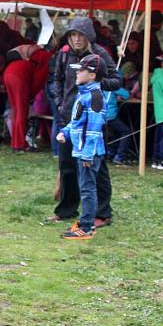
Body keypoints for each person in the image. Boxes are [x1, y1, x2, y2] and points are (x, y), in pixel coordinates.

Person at [48, 16, 121, 227]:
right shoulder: (63, 54)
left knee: (96, 168)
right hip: (68, 119)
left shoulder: (100, 54)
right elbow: (57, 79)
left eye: (81, 35)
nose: (77, 39)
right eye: (73, 35)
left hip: (92, 120)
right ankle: (66, 209)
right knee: (67, 166)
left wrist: (97, 81)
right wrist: (60, 102)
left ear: (89, 36)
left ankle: (102, 213)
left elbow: (117, 81)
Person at [56, 54, 108, 239]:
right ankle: (85, 223)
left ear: (92, 75)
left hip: (89, 153)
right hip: (80, 150)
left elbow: (94, 129)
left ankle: (86, 227)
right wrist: (65, 132)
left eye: (82, 70)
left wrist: (88, 155)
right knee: (84, 186)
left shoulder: (95, 97)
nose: (77, 73)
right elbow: (77, 122)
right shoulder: (84, 94)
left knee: (87, 189)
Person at [2, 44, 52, 151]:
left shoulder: (30, 59)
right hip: (19, 76)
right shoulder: (46, 60)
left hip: (8, 72)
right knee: (21, 112)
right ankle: (20, 144)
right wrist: (30, 96)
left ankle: (16, 142)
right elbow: (38, 83)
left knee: (16, 111)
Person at [103, 73, 133, 166]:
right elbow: (127, 94)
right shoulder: (113, 87)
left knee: (115, 133)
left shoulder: (100, 85)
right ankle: (120, 157)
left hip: (100, 115)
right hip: (110, 115)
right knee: (126, 132)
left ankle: (110, 153)